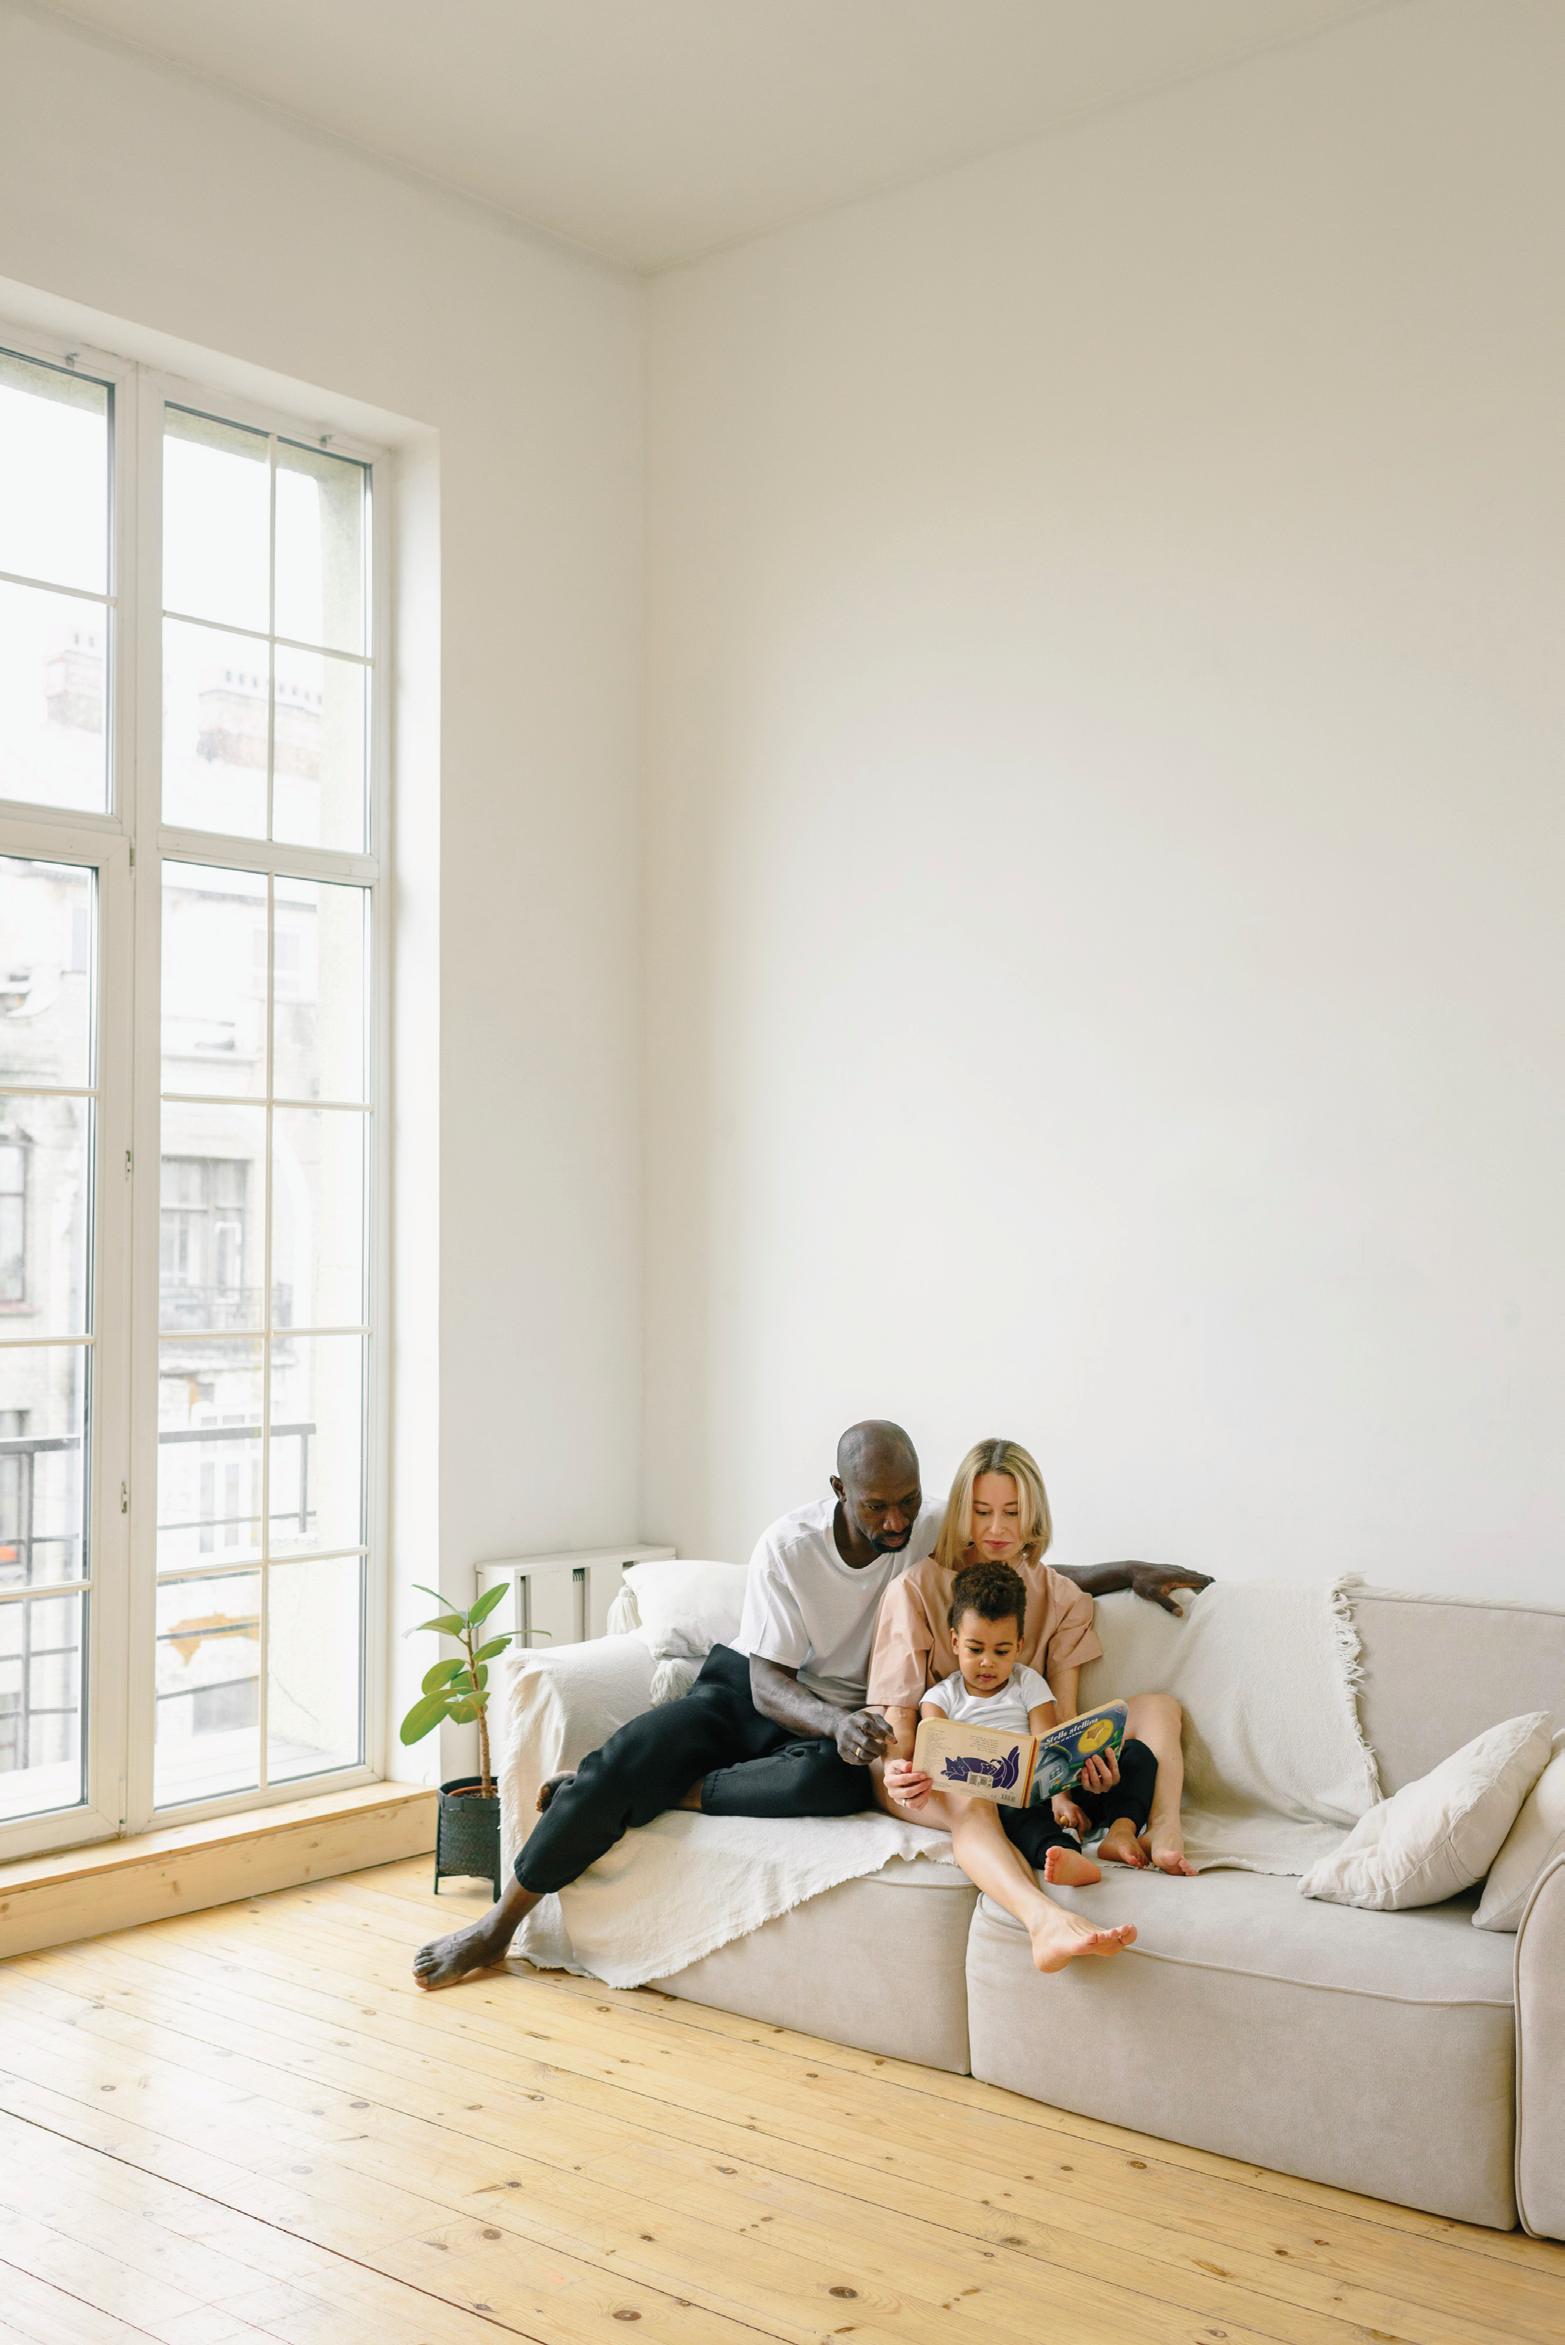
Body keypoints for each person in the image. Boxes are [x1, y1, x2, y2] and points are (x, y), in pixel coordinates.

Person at [413, 1418, 1205, 1989]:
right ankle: (501, 1922)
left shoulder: (927, 1526)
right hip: (753, 1691)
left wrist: (1128, 1570)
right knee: (634, 1754)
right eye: (876, 1505)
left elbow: (1019, 1563)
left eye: (907, 1502)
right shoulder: (788, 1547)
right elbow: (766, 1683)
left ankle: (650, 1793)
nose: (895, 1521)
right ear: (839, 1491)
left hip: (841, 1730)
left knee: (825, 1784)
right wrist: (837, 1721)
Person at [869, 1436, 1197, 1875]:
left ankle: (1162, 1827)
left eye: (1013, 1512)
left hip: (1030, 1766)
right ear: (962, 1512)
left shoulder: (1062, 1598)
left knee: (1160, 1708)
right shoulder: (913, 1591)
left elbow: (1062, 1716)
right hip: (946, 1772)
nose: (997, 1529)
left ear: (1035, 1514)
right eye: (981, 1512)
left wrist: (1079, 1772)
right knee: (977, 1797)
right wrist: (898, 1768)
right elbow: (900, 1717)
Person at [892, 1559, 1159, 1893]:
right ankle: (1060, 1851)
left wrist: (1062, 1800)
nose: (987, 1662)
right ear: (955, 1641)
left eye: (1001, 1651)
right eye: (975, 1649)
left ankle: (1121, 1830)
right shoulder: (939, 1698)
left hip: (1050, 1786)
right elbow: (938, 1759)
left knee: (1136, 1755)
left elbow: (1049, 1743)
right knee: (1018, 1816)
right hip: (998, 1799)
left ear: (1018, 1646)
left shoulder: (1028, 1682)